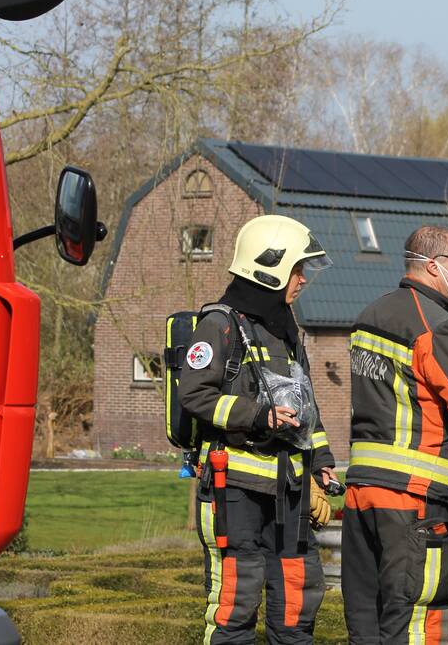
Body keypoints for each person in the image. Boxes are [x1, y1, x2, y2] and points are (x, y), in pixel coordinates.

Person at [179, 214, 340, 645]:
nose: (303, 279)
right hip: (235, 491)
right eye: (297, 268)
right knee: (237, 602)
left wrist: (322, 463)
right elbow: (193, 395)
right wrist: (257, 415)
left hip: (288, 491)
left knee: (296, 603)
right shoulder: (219, 325)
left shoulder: (287, 329)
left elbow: (306, 406)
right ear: (269, 268)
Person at [342, 225, 448, 645]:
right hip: (414, 496)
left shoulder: (369, 315)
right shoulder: (437, 326)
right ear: (433, 266)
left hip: (361, 491)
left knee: (367, 620)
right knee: (418, 618)